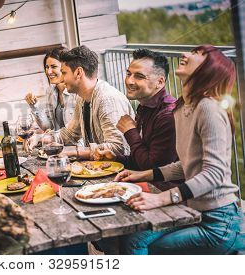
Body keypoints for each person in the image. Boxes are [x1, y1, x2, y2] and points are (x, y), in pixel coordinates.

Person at [115, 45, 243, 254]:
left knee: (142, 244)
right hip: (194, 209)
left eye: (197, 55)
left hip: (219, 222)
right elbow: (188, 165)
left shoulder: (208, 108)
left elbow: (214, 174)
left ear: (209, 70)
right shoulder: (182, 107)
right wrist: (145, 174)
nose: (185, 54)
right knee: (133, 235)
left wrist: (160, 198)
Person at [94, 49, 181, 191]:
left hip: (165, 193)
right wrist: (116, 158)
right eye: (128, 74)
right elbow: (140, 159)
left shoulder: (167, 116)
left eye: (139, 76)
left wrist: (130, 132)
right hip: (147, 186)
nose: (129, 81)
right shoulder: (144, 106)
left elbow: (152, 169)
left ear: (160, 82)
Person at [29, 45, 135, 157]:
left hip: (122, 171)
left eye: (64, 73)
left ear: (79, 73)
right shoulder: (82, 98)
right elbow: (70, 133)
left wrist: (74, 151)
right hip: (98, 168)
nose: (62, 79)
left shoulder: (107, 99)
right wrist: (41, 138)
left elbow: (119, 148)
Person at [24, 47, 77, 130]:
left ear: (65, 67)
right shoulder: (50, 91)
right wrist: (35, 106)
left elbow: (79, 131)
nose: (48, 71)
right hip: (59, 142)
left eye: (53, 67)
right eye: (47, 67)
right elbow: (48, 127)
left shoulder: (77, 92)